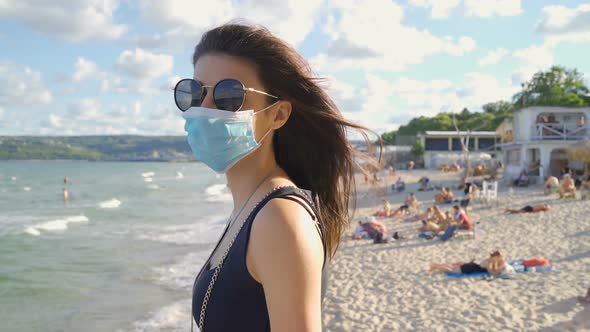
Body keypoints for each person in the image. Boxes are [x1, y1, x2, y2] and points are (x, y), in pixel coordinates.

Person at [180, 24, 376, 332]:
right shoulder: (249, 208)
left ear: (278, 114)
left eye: (229, 95)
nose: (205, 109)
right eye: (194, 92)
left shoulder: (280, 219)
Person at [429, 251, 512, 277]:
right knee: (452, 270)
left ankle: (436, 265)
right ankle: (436, 266)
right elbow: (491, 272)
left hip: (471, 266)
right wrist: (500, 270)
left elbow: (493, 268)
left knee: (452, 267)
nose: (501, 259)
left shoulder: (490, 260)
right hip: (470, 268)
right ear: (496, 256)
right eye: (500, 257)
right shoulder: (489, 262)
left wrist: (500, 266)